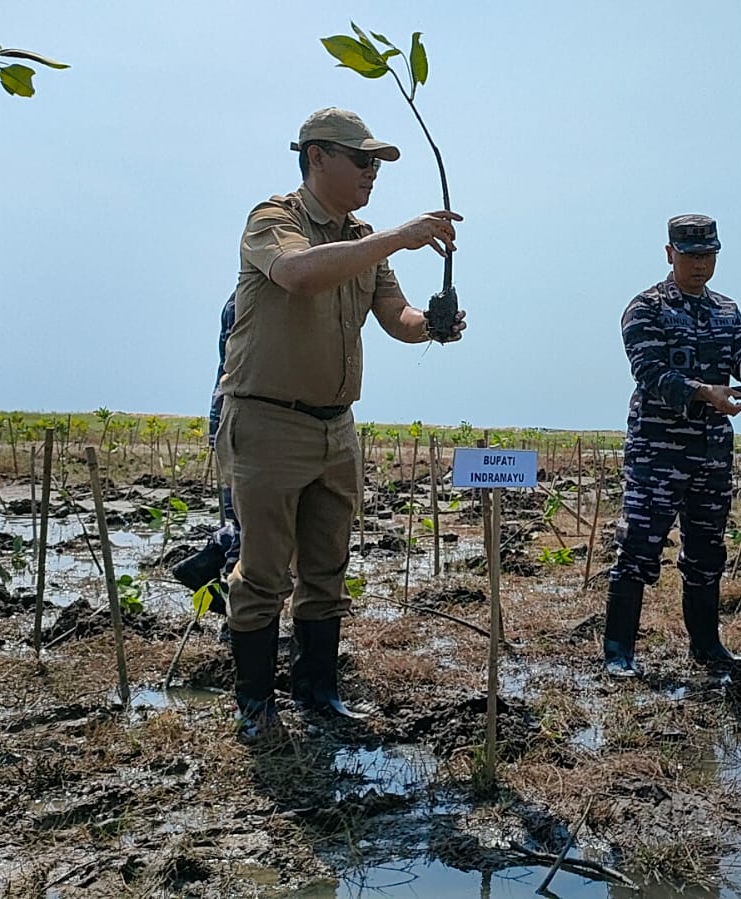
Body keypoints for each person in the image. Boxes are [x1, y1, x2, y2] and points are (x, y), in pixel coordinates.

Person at [216, 107, 464, 738]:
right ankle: (254, 706)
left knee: (326, 571)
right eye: (362, 160)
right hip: (269, 421)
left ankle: (318, 695)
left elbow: (395, 316)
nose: (372, 173)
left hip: (336, 429)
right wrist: (398, 237)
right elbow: (299, 276)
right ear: (316, 156)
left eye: (377, 163)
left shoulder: (364, 239)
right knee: (264, 571)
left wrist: (430, 326)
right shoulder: (274, 220)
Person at [602, 214, 741, 678]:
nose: (700, 264)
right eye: (691, 255)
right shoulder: (646, 309)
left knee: (706, 548)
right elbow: (652, 374)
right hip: (658, 450)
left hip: (712, 451)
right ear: (670, 253)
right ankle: (619, 652)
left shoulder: (726, 309)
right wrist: (704, 392)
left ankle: (706, 645)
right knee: (638, 545)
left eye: (708, 255)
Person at [170, 292, 241, 638]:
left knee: (249, 527)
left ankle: (208, 559)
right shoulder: (248, 299)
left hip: (234, 423)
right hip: (243, 425)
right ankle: (235, 626)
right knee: (252, 533)